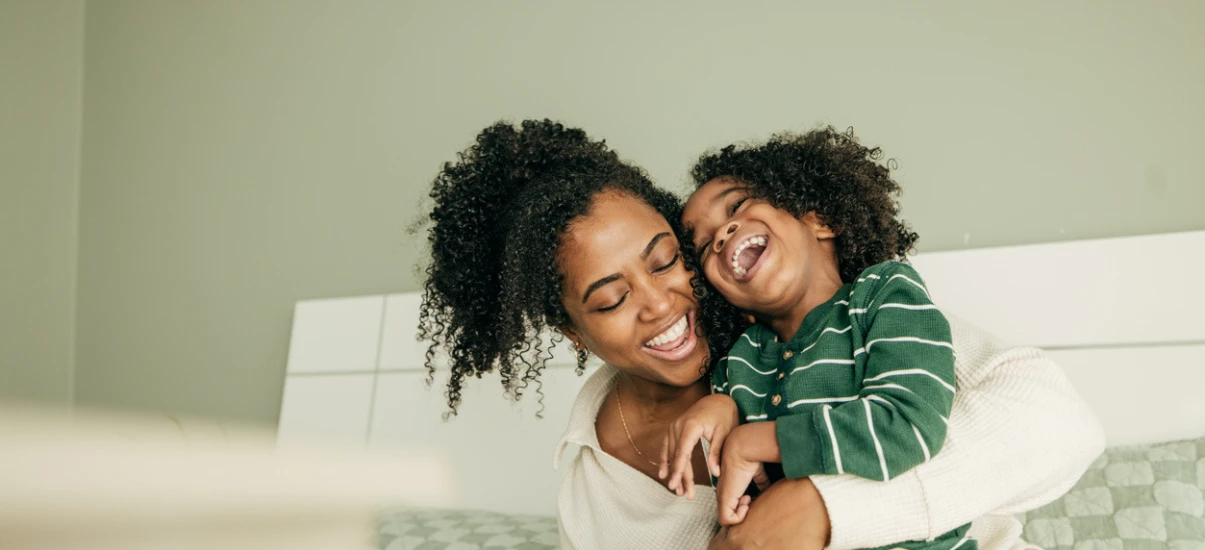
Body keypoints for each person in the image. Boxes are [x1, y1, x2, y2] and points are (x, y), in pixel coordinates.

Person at [417, 119, 1105, 550]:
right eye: (612, 298)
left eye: (665, 261)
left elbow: (1060, 428)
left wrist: (821, 510)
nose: (659, 304)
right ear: (570, 331)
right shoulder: (589, 481)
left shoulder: (816, 322)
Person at [667, 128, 965, 550]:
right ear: (732, 301)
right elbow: (748, 511)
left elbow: (909, 424)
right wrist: (722, 408)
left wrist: (756, 440)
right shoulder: (739, 364)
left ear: (820, 220)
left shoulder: (883, 294)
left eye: (738, 204)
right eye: (703, 247)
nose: (721, 234)